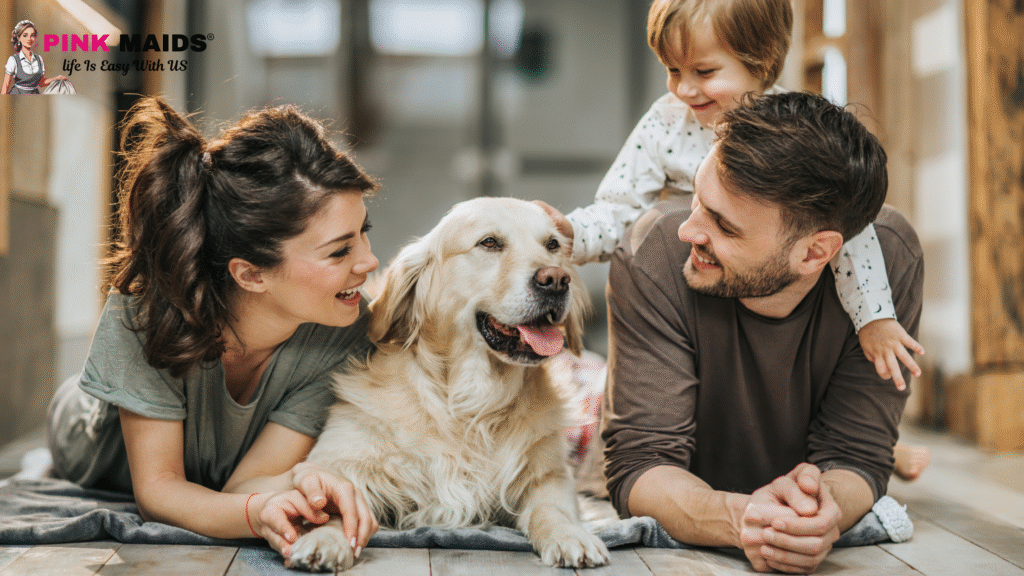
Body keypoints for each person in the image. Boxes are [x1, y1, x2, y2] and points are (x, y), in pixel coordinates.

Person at [538, 0, 928, 480]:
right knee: (598, 396)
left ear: (760, 63)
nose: (684, 88)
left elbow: (851, 229)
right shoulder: (667, 123)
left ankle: (881, 451)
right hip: (697, 292)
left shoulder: (794, 136)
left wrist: (875, 319)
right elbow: (619, 206)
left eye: (702, 70)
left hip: (760, 286)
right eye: (672, 70)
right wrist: (572, 235)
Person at [601, 91, 923, 573]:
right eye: (697, 198)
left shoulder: (891, 262)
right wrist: (743, 518)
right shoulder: (654, 253)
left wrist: (821, 512)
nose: (689, 231)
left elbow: (856, 455)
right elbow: (640, 464)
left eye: (724, 227)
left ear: (816, 254)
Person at [47, 97, 380, 561]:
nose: (369, 261)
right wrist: (256, 512)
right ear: (251, 274)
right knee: (68, 418)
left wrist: (300, 481)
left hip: (217, 464)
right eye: (339, 251)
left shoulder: (343, 330)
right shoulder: (142, 314)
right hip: (91, 440)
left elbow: (244, 486)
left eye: (365, 231)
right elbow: (159, 492)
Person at [3, 20, 67, 94]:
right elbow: (6, 85)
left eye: (32, 35)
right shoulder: (13, 60)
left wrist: (56, 78)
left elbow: (41, 83)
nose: (29, 39)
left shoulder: (39, 59)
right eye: (25, 35)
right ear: (18, 38)